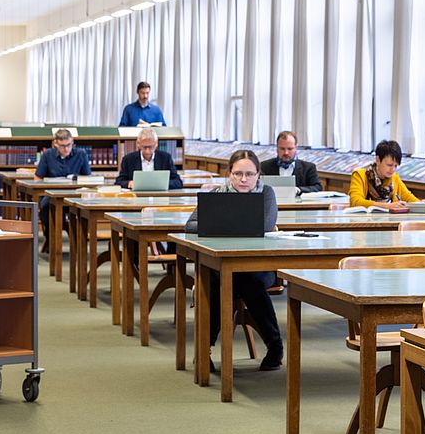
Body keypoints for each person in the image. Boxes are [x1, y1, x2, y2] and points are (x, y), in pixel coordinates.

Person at [185, 150, 283, 371]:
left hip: (259, 265)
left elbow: (266, 225)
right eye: (238, 173)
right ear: (229, 173)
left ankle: (274, 347)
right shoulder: (218, 194)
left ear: (258, 174)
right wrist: (235, 224)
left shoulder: (266, 193)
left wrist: (219, 224)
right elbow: (190, 225)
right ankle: (204, 350)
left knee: (250, 281)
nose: (243, 179)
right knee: (218, 282)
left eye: (249, 174)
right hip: (222, 264)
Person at [34, 128, 91, 252]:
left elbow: (87, 178)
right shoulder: (48, 155)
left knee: (85, 209)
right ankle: (50, 237)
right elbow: (38, 178)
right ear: (55, 144)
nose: (66, 149)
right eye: (62, 146)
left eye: (69, 145)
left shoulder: (81, 154)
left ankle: (79, 242)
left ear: (73, 142)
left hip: (75, 195)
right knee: (44, 208)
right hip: (51, 196)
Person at [348, 139, 419, 212]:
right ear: (378, 160)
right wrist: (387, 206)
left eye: (396, 166)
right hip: (363, 222)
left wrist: (421, 204)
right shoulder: (360, 175)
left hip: (388, 221)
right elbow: (355, 202)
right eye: (389, 165)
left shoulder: (394, 178)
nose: (393, 169)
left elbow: (410, 199)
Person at [116, 127, 182, 189]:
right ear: (138, 144)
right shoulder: (128, 159)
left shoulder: (166, 158)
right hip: (136, 197)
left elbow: (178, 182)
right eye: (144, 147)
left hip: (160, 196)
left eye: (151, 147)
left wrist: (163, 183)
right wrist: (129, 183)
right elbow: (118, 182)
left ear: (156, 144)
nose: (147, 151)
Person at [259, 130, 321, 195]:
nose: (286, 153)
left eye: (290, 149)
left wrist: (299, 189)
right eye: (282, 149)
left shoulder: (308, 167)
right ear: (277, 148)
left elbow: (317, 187)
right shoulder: (264, 166)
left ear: (296, 148)